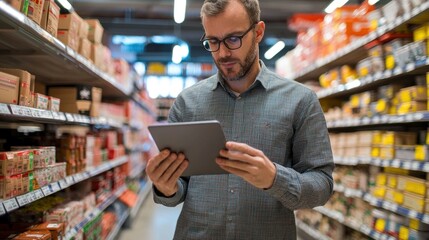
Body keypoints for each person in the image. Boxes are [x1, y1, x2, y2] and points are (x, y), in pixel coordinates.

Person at [145, 0, 334, 239]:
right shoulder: (187, 102)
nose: (223, 53)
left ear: (258, 32)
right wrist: (166, 186)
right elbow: (180, 188)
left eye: (233, 39)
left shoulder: (301, 101)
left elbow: (322, 186)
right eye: (213, 42)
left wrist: (275, 178)